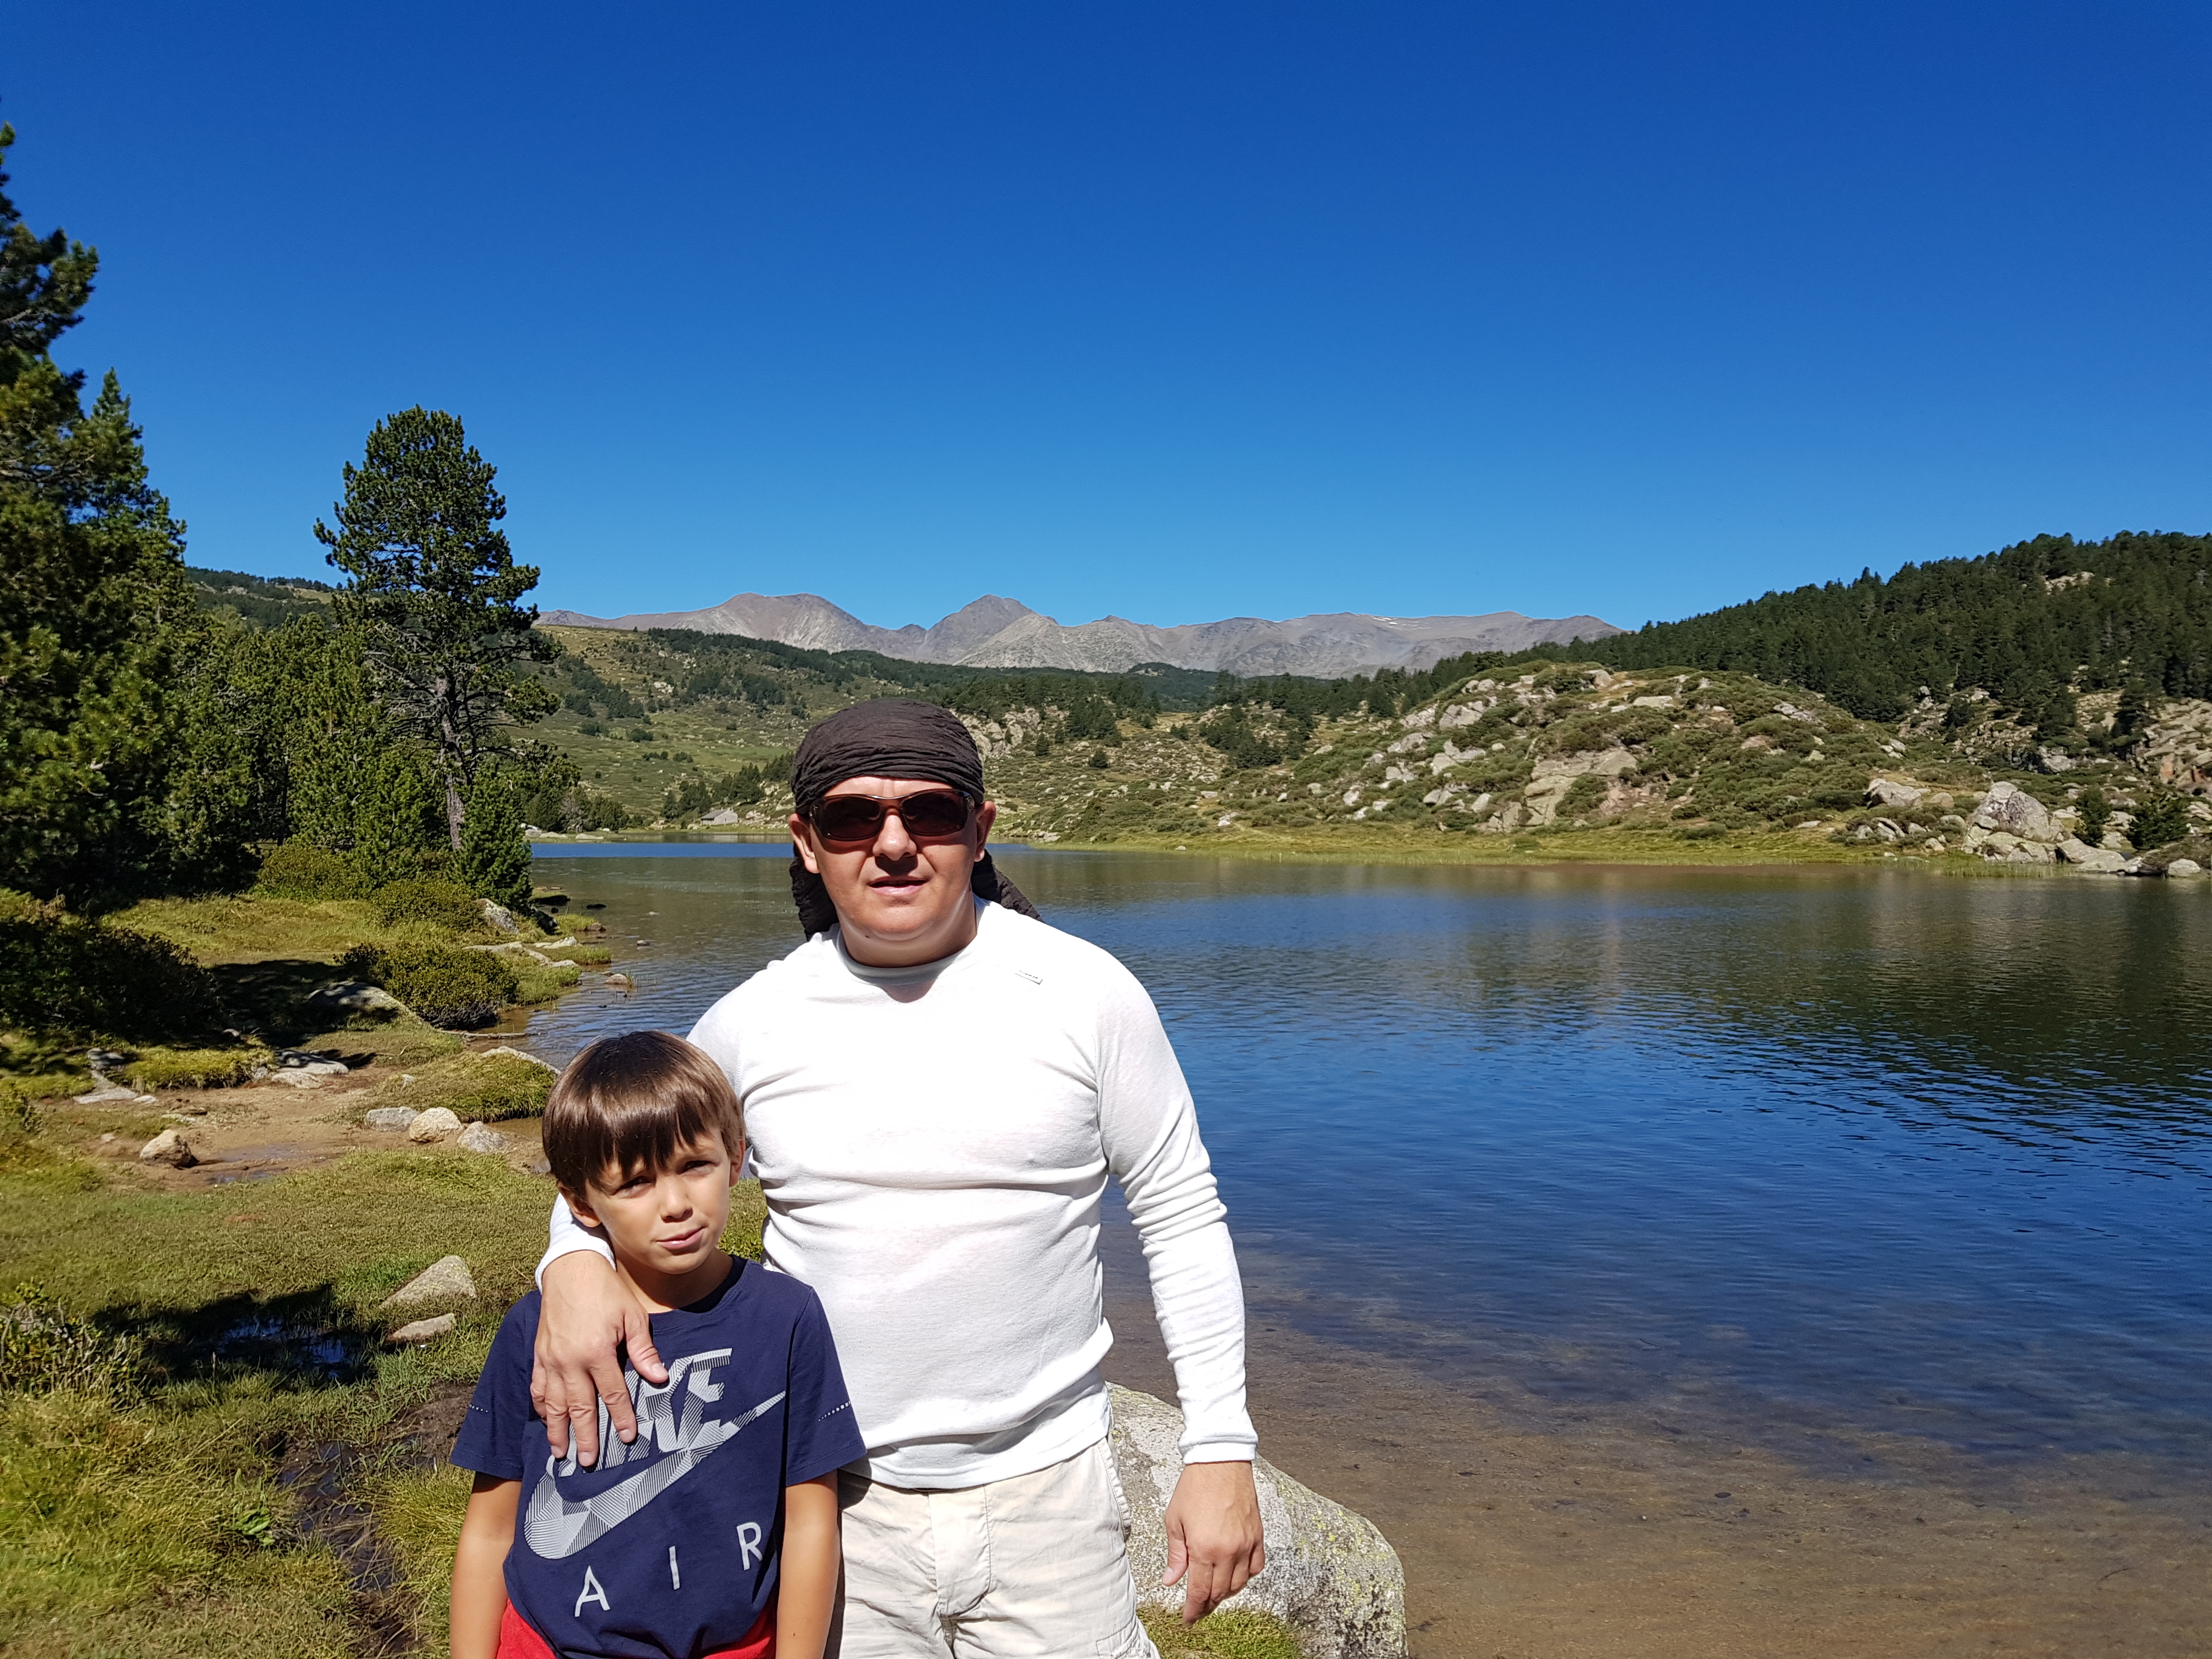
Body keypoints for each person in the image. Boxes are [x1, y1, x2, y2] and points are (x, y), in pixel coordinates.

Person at [531, 698, 1267, 1658]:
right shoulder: (753, 1021)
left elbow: (1179, 1212)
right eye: (851, 818)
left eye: (929, 811)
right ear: (806, 842)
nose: (892, 844)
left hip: (1051, 1495)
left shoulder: (1085, 992)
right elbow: (614, 1165)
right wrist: (571, 1265)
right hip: (829, 1499)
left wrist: (1220, 1446)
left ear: (980, 828)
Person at [452, 1031, 864, 1659]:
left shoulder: (787, 1317)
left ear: (736, 1158)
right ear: (581, 1202)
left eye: (695, 1166)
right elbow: (490, 1529)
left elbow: (811, 1518)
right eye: (635, 1183)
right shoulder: (540, 1330)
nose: (675, 1205)